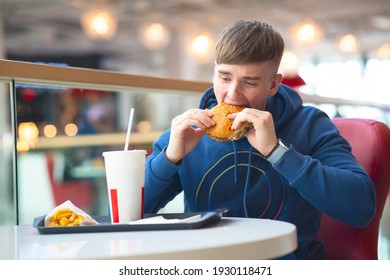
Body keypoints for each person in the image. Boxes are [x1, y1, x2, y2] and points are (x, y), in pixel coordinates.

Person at [144, 19, 376, 259]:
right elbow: (121, 214)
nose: (233, 94)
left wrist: (278, 153)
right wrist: (169, 158)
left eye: (249, 82)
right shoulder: (186, 132)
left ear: (274, 84)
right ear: (214, 73)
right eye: (224, 78)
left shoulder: (310, 125)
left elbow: (362, 209)